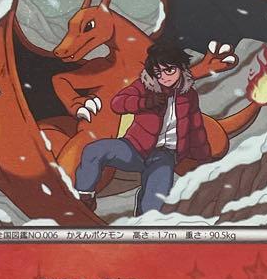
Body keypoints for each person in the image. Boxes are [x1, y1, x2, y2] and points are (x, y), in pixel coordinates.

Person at [75, 41, 212, 215]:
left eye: (169, 70)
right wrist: (145, 102)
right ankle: (85, 197)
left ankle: (143, 222)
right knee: (94, 150)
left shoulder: (189, 95)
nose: (164, 77)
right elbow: (117, 103)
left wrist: (204, 159)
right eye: (158, 72)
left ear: (181, 68)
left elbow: (196, 126)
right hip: (134, 147)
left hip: (164, 155)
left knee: (153, 201)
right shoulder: (145, 86)